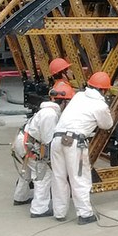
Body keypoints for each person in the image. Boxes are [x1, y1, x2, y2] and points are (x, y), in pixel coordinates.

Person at [50, 71, 113, 224]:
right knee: (79, 178)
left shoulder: (78, 96)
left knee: (58, 177)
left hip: (56, 139)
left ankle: (59, 212)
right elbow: (107, 125)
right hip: (74, 143)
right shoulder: (100, 105)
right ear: (104, 90)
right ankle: (85, 214)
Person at [25, 81, 75, 217]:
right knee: (43, 176)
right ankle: (38, 209)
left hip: (26, 142)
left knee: (28, 174)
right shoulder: (50, 115)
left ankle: (20, 197)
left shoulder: (48, 111)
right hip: (33, 146)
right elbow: (48, 142)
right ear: (64, 102)